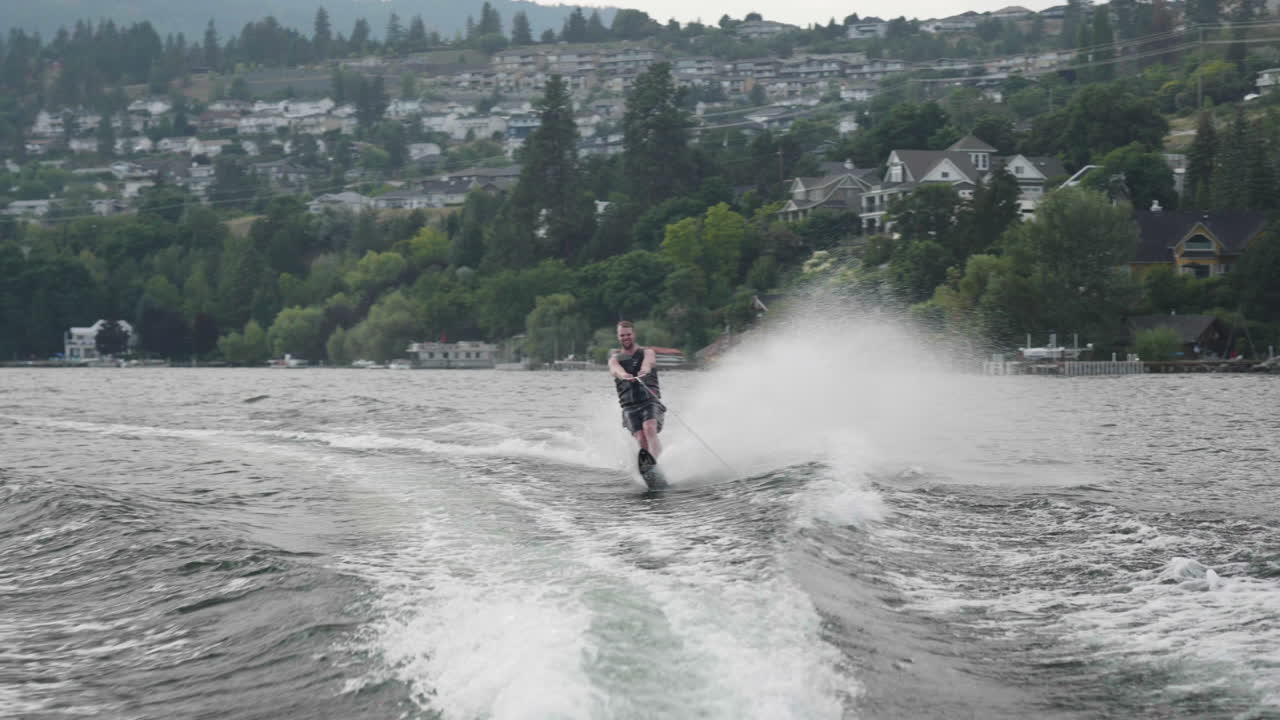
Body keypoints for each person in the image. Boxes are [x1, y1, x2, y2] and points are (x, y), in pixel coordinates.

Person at [608, 320, 663, 460]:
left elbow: (648, 363)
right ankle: (648, 466)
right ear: (618, 337)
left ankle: (659, 463)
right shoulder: (614, 359)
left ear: (634, 334)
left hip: (650, 402)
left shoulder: (647, 353)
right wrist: (624, 375)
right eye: (622, 335)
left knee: (649, 428)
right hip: (629, 406)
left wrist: (643, 371)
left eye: (628, 334)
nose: (625, 337)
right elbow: (616, 370)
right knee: (640, 438)